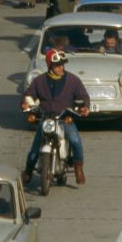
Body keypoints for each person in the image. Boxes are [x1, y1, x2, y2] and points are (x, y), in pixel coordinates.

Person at [22, 48, 90, 185]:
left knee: (75, 140)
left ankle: (78, 168)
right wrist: (25, 104)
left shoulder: (73, 80)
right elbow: (28, 96)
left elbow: (83, 96)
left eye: (62, 64)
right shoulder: (39, 81)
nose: (60, 67)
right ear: (50, 65)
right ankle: (28, 171)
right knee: (34, 150)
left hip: (64, 118)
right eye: (57, 65)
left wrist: (84, 107)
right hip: (46, 119)